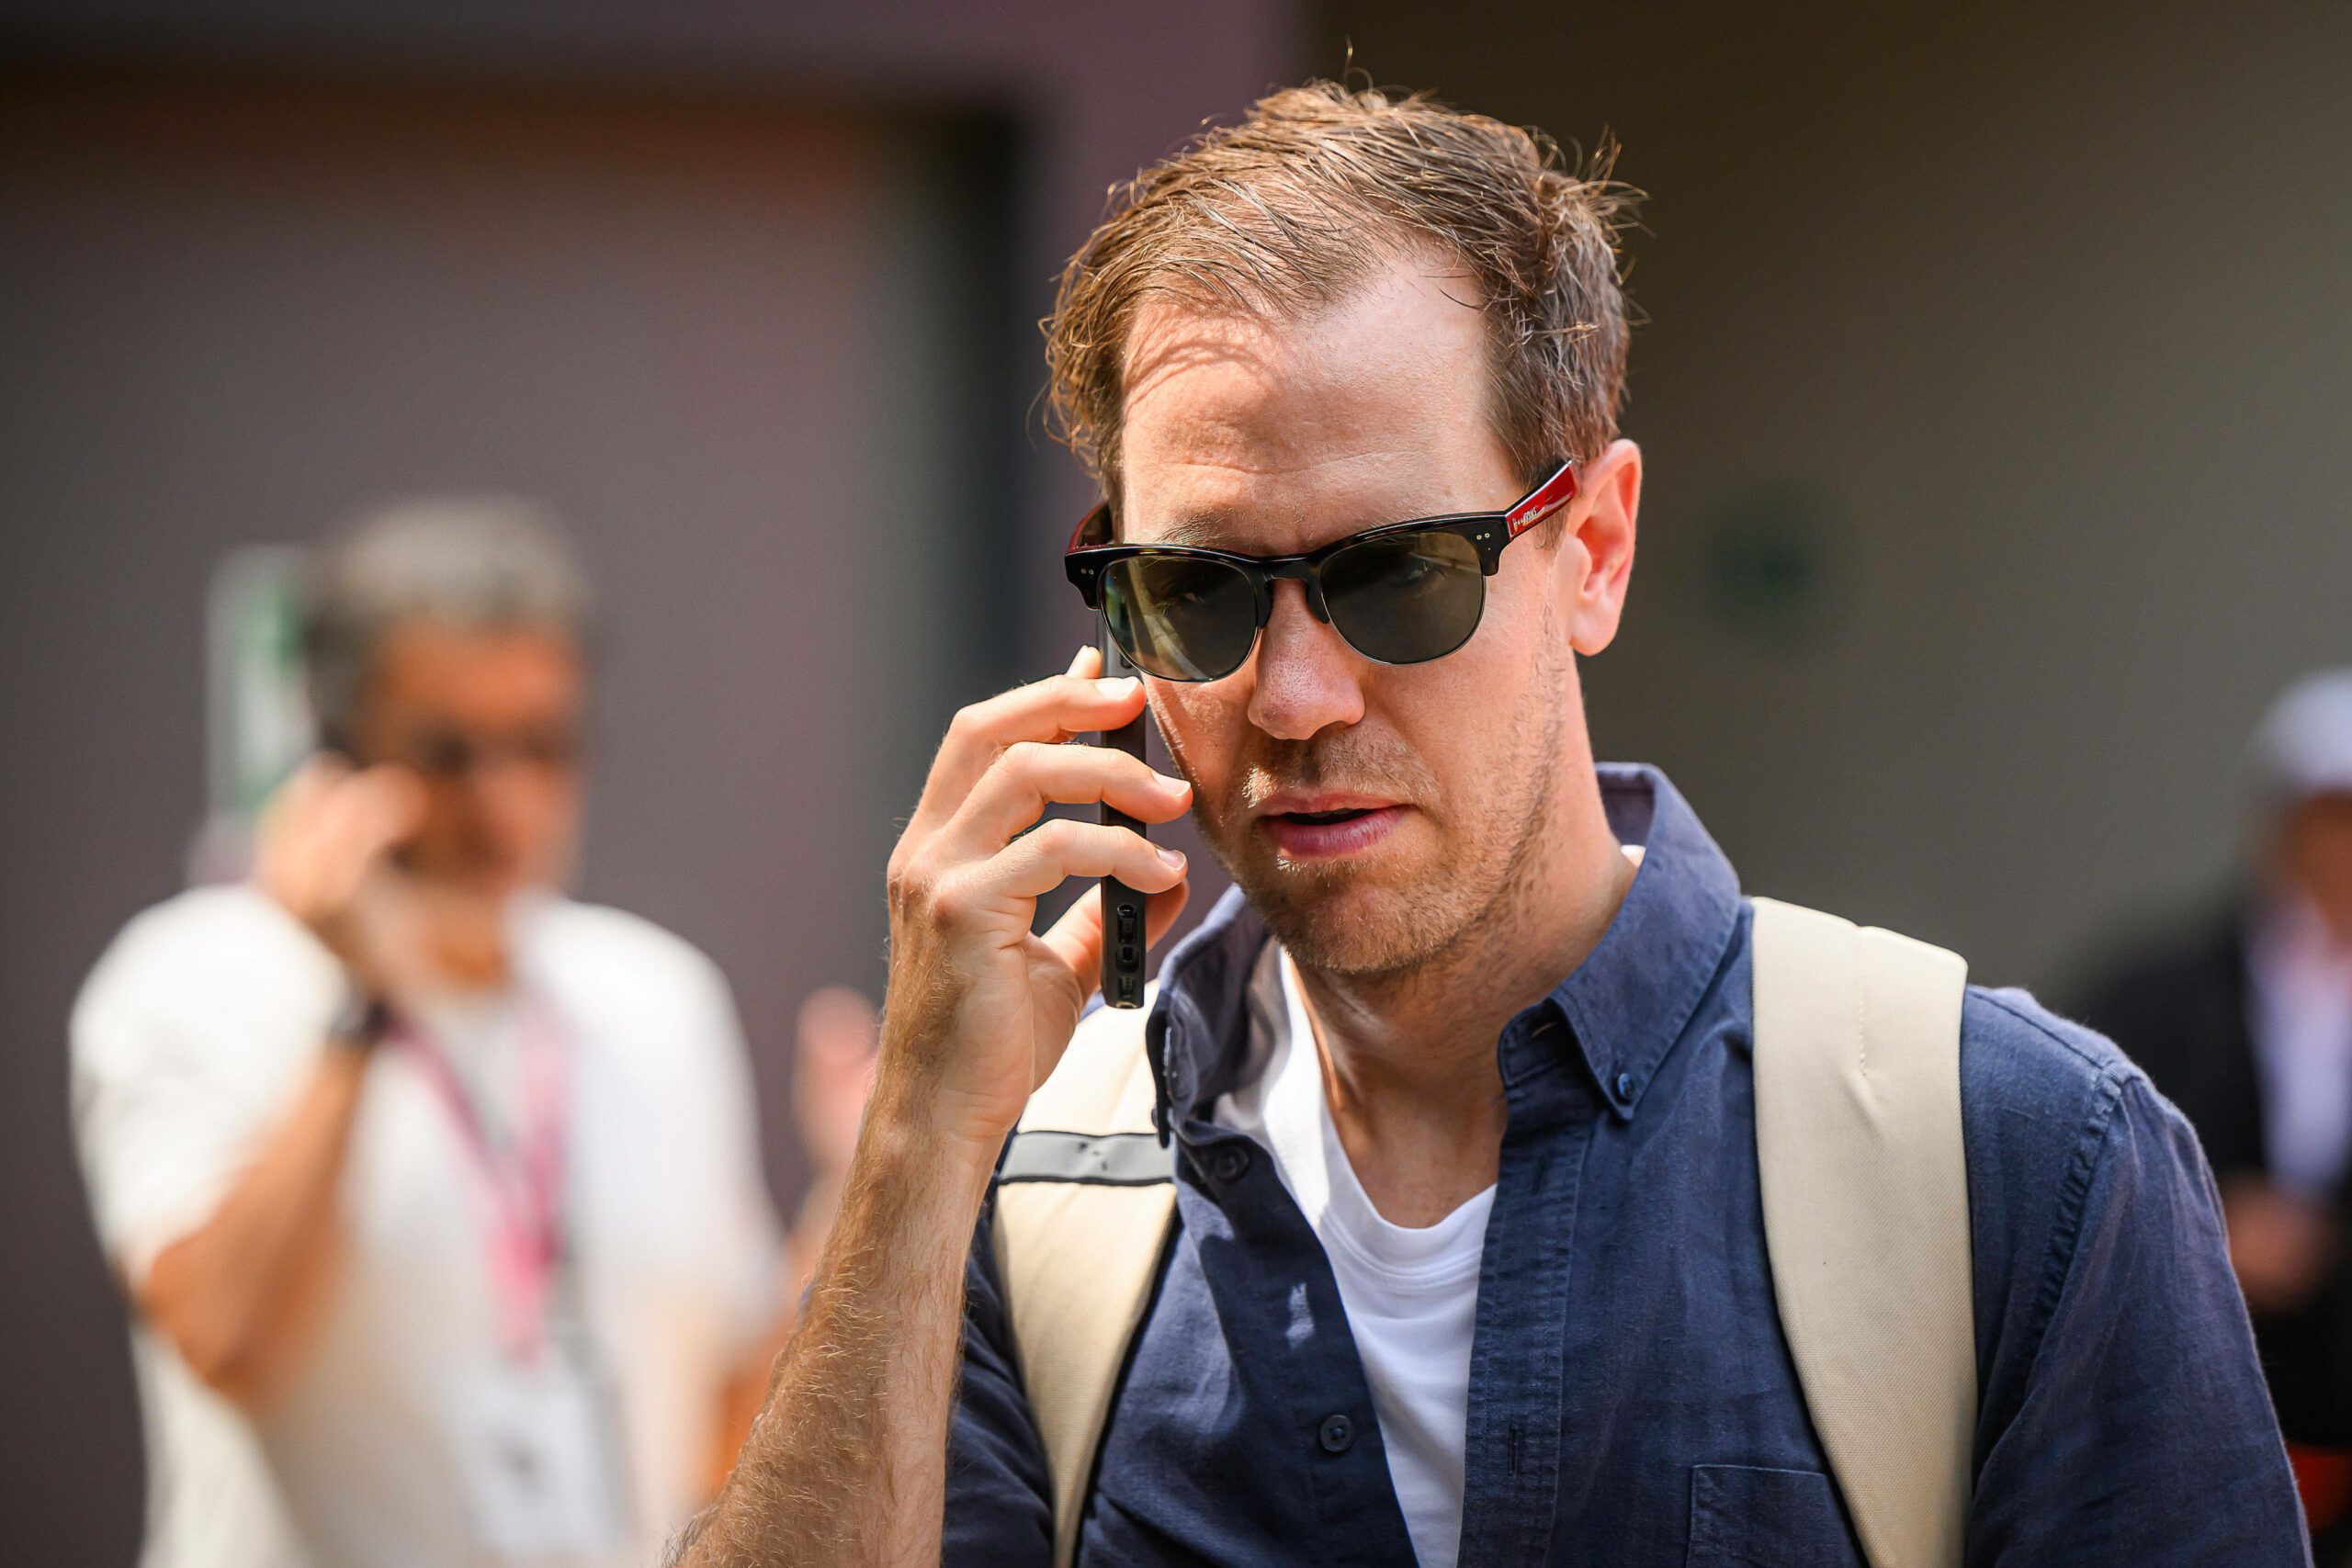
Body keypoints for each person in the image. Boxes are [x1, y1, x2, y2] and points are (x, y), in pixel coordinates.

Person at [673, 84, 2303, 1566]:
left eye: (1398, 573)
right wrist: (909, 1156)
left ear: (1592, 547)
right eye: (1201, 589)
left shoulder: (2013, 1157)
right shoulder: (1024, 1185)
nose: (1297, 694)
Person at [73, 500, 789, 1568]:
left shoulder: (658, 996)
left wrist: (869, 1188)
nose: (505, 805)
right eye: (447, 754)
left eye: (542, 746)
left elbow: (722, 1434)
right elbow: (227, 1339)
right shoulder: (190, 977)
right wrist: (363, 1002)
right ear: (335, 755)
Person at [2082, 670, 2352, 1547]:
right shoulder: (2157, 995)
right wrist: (2199, 1231)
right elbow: (2066, 1171)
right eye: (2336, 814)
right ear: (2285, 824)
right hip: (2185, 1428)